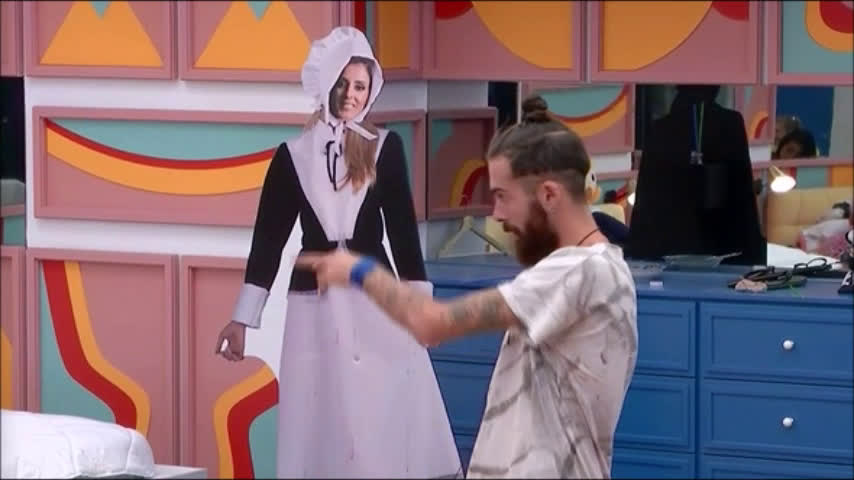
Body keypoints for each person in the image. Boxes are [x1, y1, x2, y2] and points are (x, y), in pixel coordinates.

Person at [297, 95, 639, 479]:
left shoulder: (578, 273)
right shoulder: (603, 269)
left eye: (503, 197)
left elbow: (432, 323)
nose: (497, 214)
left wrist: (358, 270)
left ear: (549, 195)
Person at [214, 27, 461, 478]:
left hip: (377, 299)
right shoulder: (293, 155)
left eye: (360, 86)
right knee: (321, 411)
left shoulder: (385, 148)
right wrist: (242, 318)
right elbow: (268, 239)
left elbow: (403, 232)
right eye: (342, 84)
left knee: (379, 408)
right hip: (316, 303)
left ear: (371, 92)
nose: (350, 95)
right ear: (326, 85)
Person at [626, 84, 766, 266]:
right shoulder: (730, 123)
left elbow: (649, 194)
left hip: (670, 241)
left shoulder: (662, 127)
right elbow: (741, 189)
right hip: (723, 241)